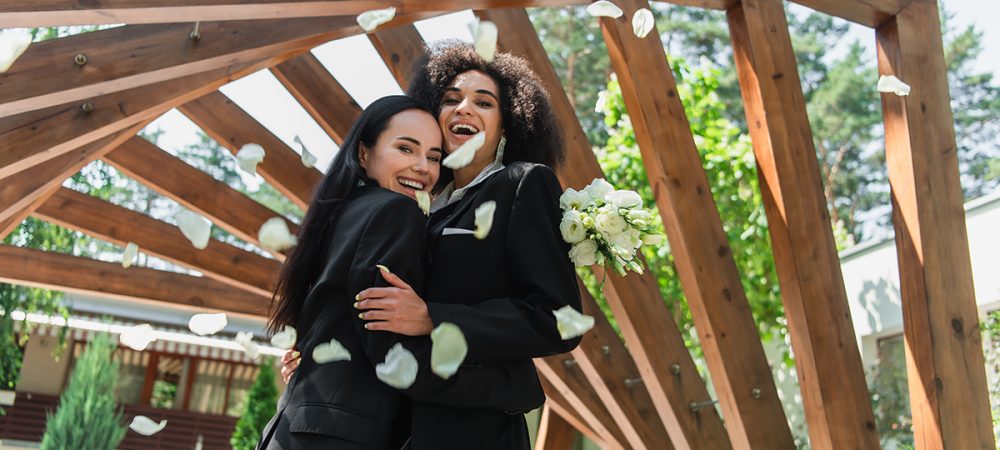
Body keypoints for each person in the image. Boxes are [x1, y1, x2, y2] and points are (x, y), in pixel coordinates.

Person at [287, 42, 584, 449]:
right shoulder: (416, 199)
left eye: (484, 102)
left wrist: (434, 317)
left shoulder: (523, 184)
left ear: (508, 120)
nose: (464, 108)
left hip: (473, 433)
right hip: (393, 427)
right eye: (450, 99)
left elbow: (557, 318)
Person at [258, 95, 544, 450]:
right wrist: (512, 386)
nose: (423, 167)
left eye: (434, 157)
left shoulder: (335, 216)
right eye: (406, 149)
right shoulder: (395, 212)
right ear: (364, 152)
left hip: (297, 428)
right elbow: (397, 359)